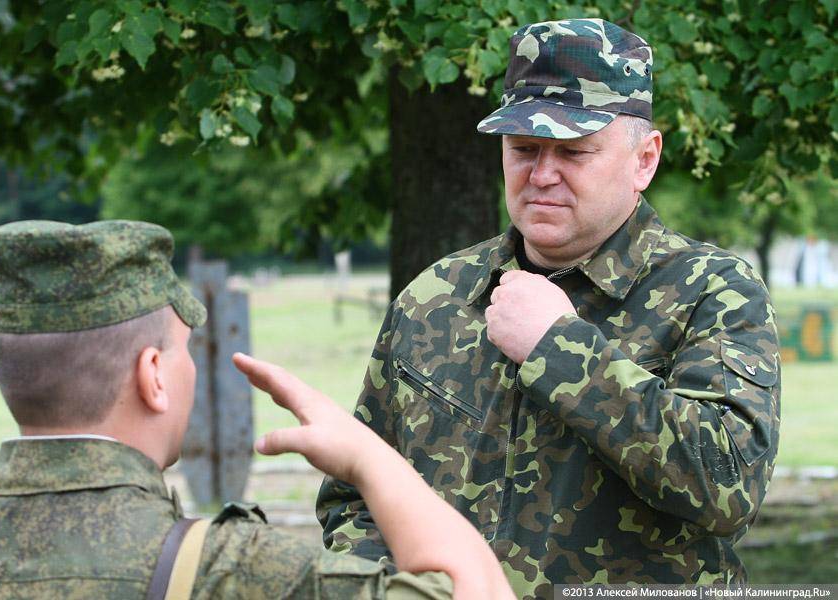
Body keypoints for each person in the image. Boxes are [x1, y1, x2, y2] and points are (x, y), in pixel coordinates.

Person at [317, 18, 780, 598]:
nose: (541, 175)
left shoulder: (712, 291)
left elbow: (728, 487)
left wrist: (559, 347)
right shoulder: (436, 295)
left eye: (573, 152)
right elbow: (357, 492)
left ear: (644, 159)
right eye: (523, 149)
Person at [0, 220, 514, 599]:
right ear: (153, 376)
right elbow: (473, 589)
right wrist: (369, 457)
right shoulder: (233, 570)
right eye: (182, 349)